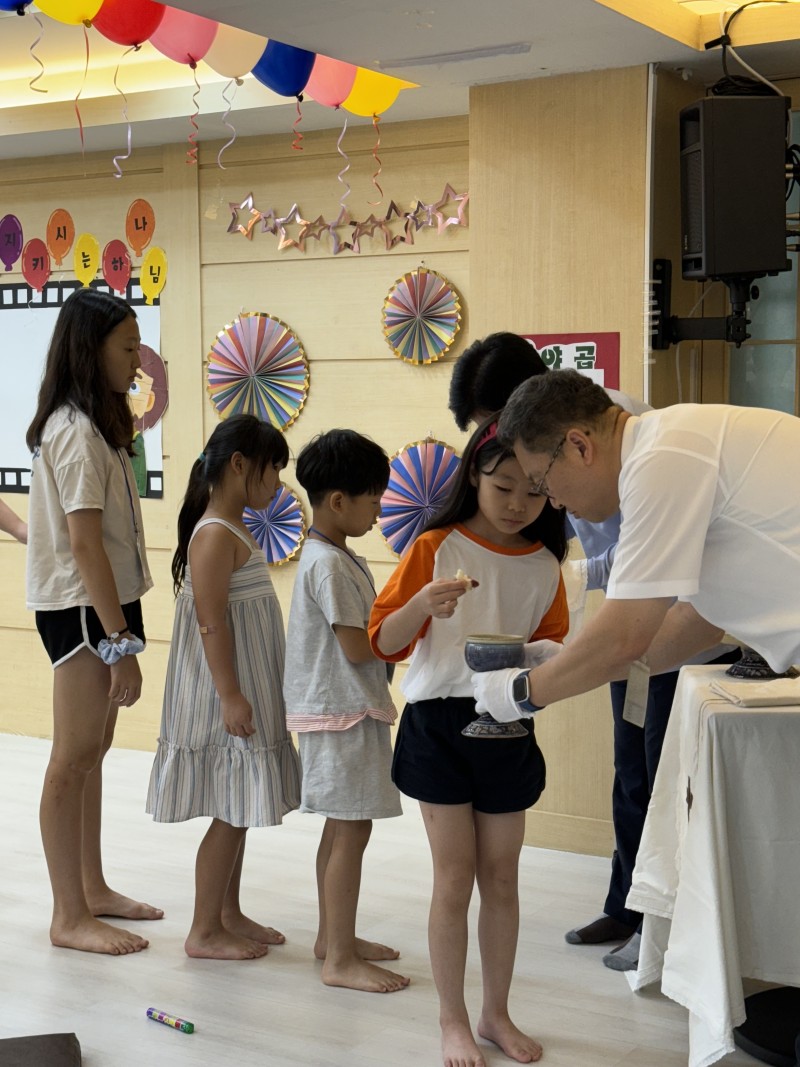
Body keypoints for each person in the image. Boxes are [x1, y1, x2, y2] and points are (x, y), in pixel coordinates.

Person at [448, 333, 737, 971]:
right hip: (629, 618)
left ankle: (661, 923)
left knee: (664, 774)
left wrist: (523, 691)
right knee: (630, 768)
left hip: (667, 623)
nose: (540, 494)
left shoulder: (629, 444)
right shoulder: (574, 448)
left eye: (496, 429)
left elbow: (645, 579)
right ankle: (627, 904)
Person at [369, 415, 568, 1067]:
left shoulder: (545, 563)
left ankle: (494, 1013)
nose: (518, 503)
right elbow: (384, 639)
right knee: (454, 878)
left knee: (502, 877)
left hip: (507, 723)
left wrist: (543, 658)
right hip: (437, 726)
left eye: (534, 490)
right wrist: (423, 603)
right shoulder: (436, 545)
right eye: (503, 484)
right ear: (473, 476)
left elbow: (557, 649)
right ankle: (452, 1019)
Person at [472, 367, 800, 735]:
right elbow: (695, 626)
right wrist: (566, 663)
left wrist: (523, 692)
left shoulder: (661, 458)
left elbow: (623, 636)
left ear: (579, 446)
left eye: (541, 483)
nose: (554, 503)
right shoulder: (668, 444)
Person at [26, 288, 158, 956]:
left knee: (93, 751)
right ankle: (67, 913)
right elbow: (82, 546)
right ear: (91, 348)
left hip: (102, 600)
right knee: (71, 758)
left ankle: (92, 887)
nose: (138, 361)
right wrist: (120, 642)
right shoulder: (75, 430)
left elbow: (75, 532)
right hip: (85, 609)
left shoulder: (94, 423)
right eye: (128, 347)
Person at [147, 414, 302, 960]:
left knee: (237, 807)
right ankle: (203, 930)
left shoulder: (231, 529)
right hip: (222, 695)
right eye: (274, 472)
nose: (278, 486)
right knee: (230, 812)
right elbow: (211, 624)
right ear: (239, 465)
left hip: (243, 687)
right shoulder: (214, 535)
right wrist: (231, 695)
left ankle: (227, 912)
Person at [283, 429, 408, 994]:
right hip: (344, 714)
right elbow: (359, 647)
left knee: (341, 831)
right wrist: (410, 626)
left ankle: (334, 939)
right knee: (350, 832)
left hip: (339, 711)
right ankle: (339, 958)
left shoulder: (329, 555)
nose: (380, 508)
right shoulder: (330, 565)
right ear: (339, 501)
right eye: (374, 497)